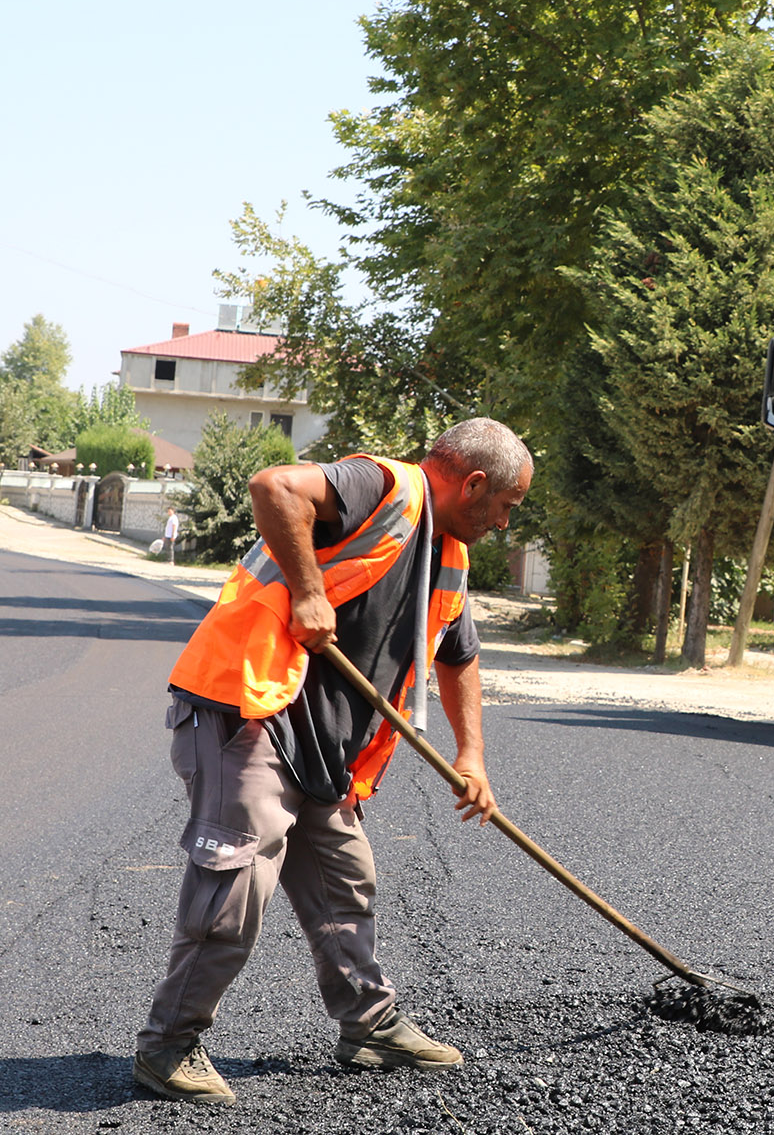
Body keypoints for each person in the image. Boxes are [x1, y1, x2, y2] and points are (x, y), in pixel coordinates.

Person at [133, 418, 531, 1105]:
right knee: (237, 879)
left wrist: (472, 755)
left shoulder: (450, 557)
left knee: (346, 880)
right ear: (473, 483)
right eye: (506, 504)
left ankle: (369, 1026)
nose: (504, 521)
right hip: (248, 710)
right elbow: (273, 486)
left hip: (322, 747)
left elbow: (459, 658)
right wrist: (309, 590)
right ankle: (168, 1045)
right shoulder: (383, 485)